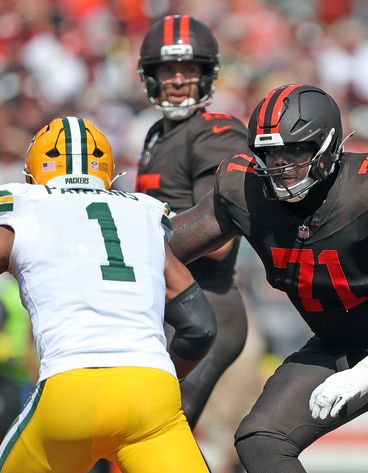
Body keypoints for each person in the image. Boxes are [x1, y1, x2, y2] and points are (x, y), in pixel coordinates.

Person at [170, 84, 368, 473]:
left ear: (328, 146)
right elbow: (167, 245)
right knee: (262, 439)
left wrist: (367, 372)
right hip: (337, 346)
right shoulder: (244, 189)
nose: (281, 165)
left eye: (295, 151)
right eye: (270, 153)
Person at [0, 116, 215, 473]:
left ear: (33, 173)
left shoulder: (24, 206)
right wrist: (149, 379)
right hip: (152, 392)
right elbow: (200, 326)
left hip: (70, 391)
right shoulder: (143, 212)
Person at [136, 14, 250, 429]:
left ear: (207, 74)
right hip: (167, 304)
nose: (179, 80)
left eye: (189, 69)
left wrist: (132, 244)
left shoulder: (215, 133)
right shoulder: (157, 134)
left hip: (205, 305)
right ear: (151, 75)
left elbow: (217, 238)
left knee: (162, 426)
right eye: (168, 69)